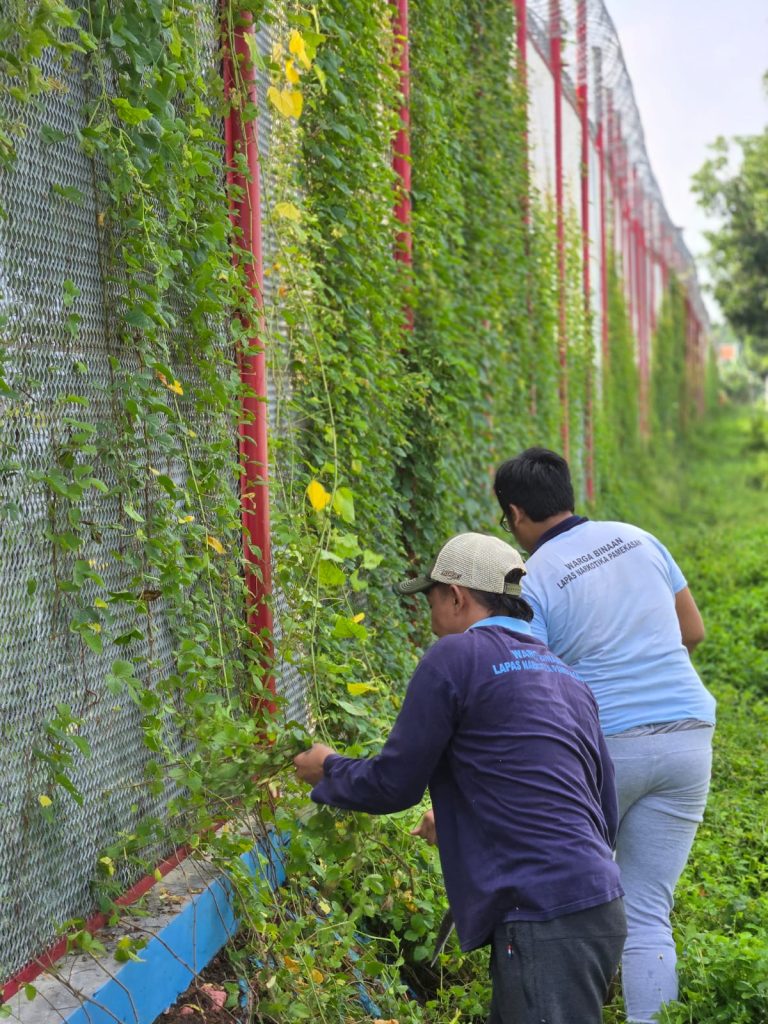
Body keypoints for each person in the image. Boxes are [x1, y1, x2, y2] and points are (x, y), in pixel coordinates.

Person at [294, 532, 626, 1024]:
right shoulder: (566, 677)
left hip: (542, 915)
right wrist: (463, 818)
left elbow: (393, 784)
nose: (428, 614)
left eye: (430, 597)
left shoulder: (455, 656)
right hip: (597, 903)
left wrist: (327, 768)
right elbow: (600, 810)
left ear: (456, 595)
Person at [494, 447, 716, 1024]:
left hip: (607, 750)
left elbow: (529, 682)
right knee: (647, 913)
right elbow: (692, 630)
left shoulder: (531, 579)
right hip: (689, 736)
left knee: (568, 901)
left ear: (514, 514)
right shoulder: (640, 539)